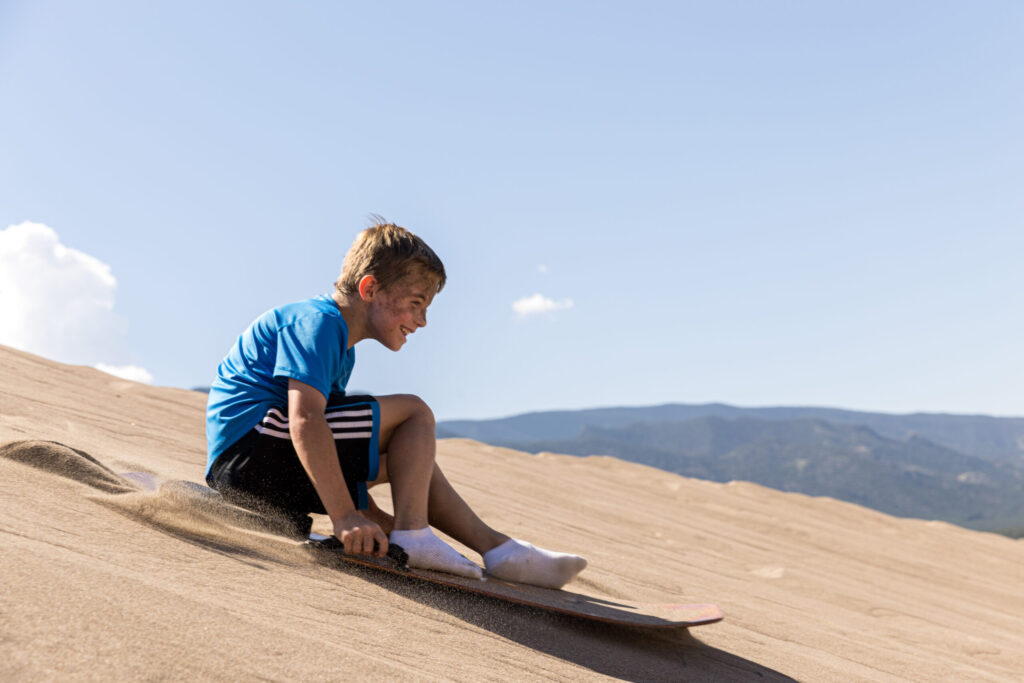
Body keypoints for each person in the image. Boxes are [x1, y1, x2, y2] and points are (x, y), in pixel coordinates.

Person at [204, 218, 586, 588]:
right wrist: (345, 517)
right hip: (250, 452)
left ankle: (495, 548)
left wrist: (379, 525)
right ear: (370, 289)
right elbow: (306, 421)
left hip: (263, 466)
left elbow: (331, 451)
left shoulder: (340, 347)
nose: (421, 321)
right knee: (414, 414)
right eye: (416, 303)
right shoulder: (315, 323)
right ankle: (434, 538)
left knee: (412, 458)